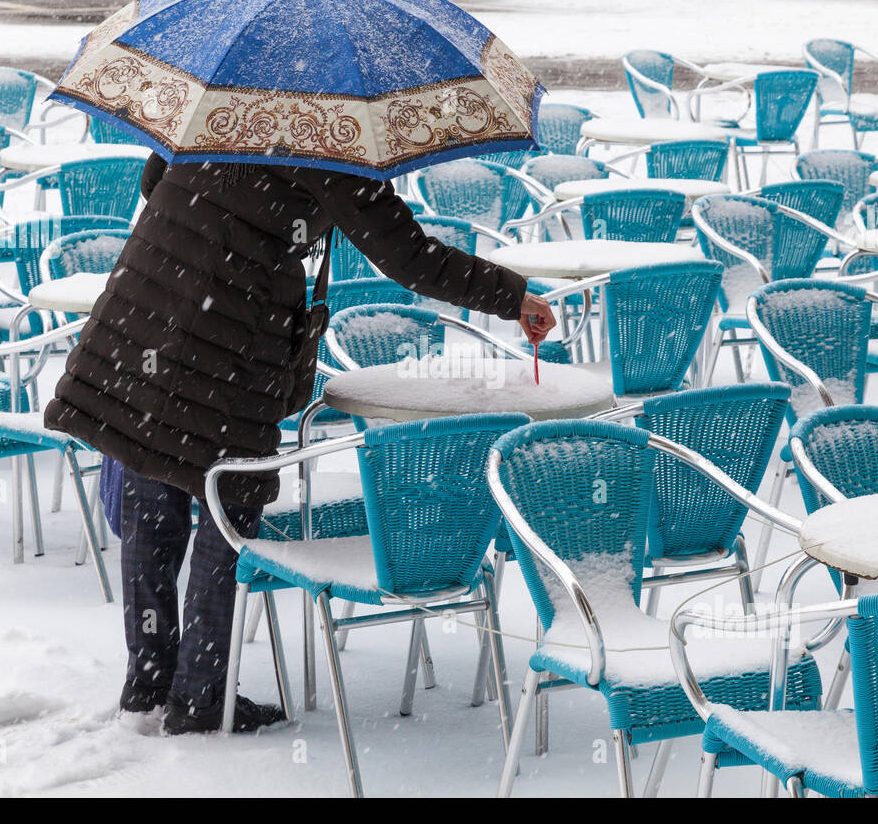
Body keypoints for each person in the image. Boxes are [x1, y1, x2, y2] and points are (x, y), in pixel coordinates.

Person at [45, 154, 556, 735]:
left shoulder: (224, 94)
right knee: (226, 510)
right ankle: (199, 696)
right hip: (226, 346)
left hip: (141, 316)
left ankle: (148, 684)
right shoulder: (331, 138)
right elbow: (407, 255)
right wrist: (511, 297)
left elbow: (155, 181)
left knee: (151, 501)